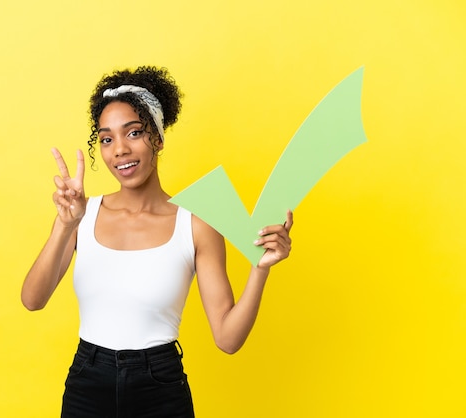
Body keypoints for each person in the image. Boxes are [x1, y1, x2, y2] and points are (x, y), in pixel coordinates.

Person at [21, 66, 293, 418]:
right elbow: (32, 299)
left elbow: (227, 339)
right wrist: (64, 225)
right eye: (106, 139)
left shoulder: (195, 225)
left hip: (160, 387)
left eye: (133, 133)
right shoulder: (80, 215)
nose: (119, 150)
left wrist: (260, 270)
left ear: (159, 139)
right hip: (88, 382)